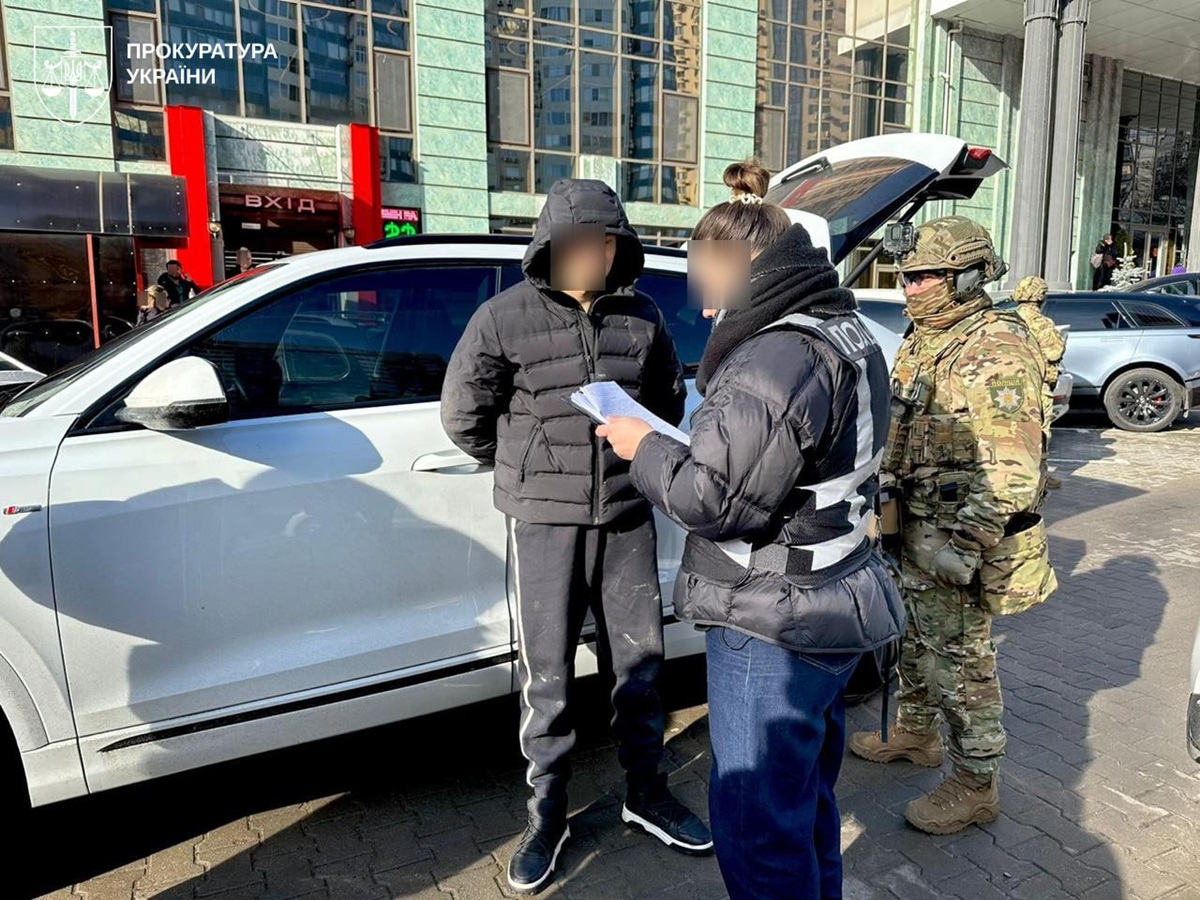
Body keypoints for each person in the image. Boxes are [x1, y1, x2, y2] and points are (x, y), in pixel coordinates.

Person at [597, 162, 904, 900]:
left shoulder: (775, 353)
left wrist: (644, 445)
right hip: (833, 596)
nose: (704, 308)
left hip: (772, 620)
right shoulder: (844, 328)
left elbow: (715, 500)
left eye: (706, 285)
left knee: (756, 826)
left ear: (740, 267)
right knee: (805, 804)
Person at [440, 178, 707, 895]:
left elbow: (665, 400)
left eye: (607, 241)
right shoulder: (502, 318)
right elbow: (464, 414)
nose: (595, 253)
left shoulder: (643, 317)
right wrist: (529, 471)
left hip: (626, 515)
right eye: (581, 241)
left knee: (641, 666)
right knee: (549, 677)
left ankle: (646, 793)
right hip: (545, 524)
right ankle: (547, 816)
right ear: (550, 246)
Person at [848, 216, 1050, 836]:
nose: (912, 287)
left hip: (957, 541)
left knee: (961, 663)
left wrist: (963, 547)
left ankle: (975, 784)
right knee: (912, 640)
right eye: (907, 277)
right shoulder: (926, 338)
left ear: (967, 277)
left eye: (928, 276)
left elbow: (1014, 471)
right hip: (913, 528)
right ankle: (915, 734)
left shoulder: (996, 347)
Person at [1012, 275, 1065, 490]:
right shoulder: (1041, 323)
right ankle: (1039, 477)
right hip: (1037, 384)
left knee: (1014, 430)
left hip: (1010, 385)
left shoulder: (1007, 319)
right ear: (1040, 297)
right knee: (1040, 431)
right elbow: (1054, 352)